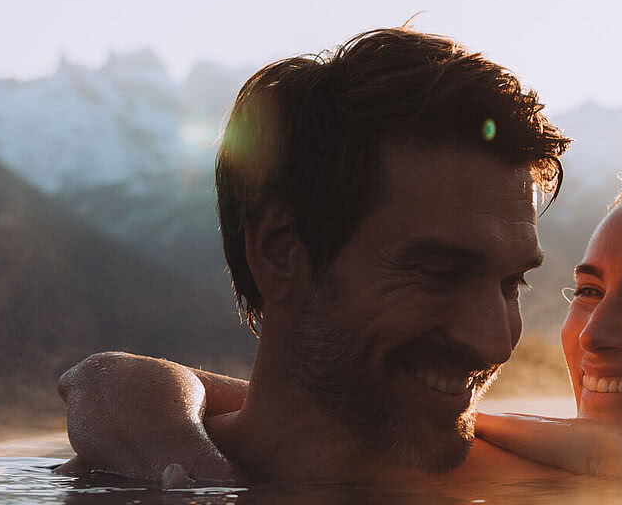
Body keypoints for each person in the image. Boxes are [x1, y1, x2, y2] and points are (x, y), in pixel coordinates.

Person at [61, 152, 622, 489]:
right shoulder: (505, 473)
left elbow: (108, 383)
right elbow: (108, 382)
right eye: (587, 291)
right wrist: (198, 477)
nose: (596, 334)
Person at [55, 27, 572, 485]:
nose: (494, 341)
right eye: (439, 273)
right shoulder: (134, 483)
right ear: (280, 252)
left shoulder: (561, 483)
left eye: (511, 283)